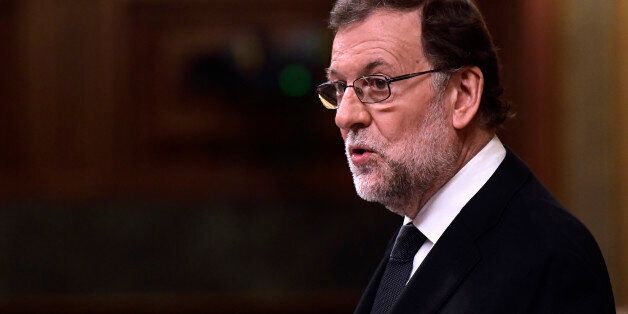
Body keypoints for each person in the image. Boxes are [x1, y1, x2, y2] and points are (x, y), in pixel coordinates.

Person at [316, 0, 615, 313]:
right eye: (338, 87)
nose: (345, 116)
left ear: (463, 95)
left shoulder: (553, 255)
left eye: (378, 84)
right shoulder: (413, 237)